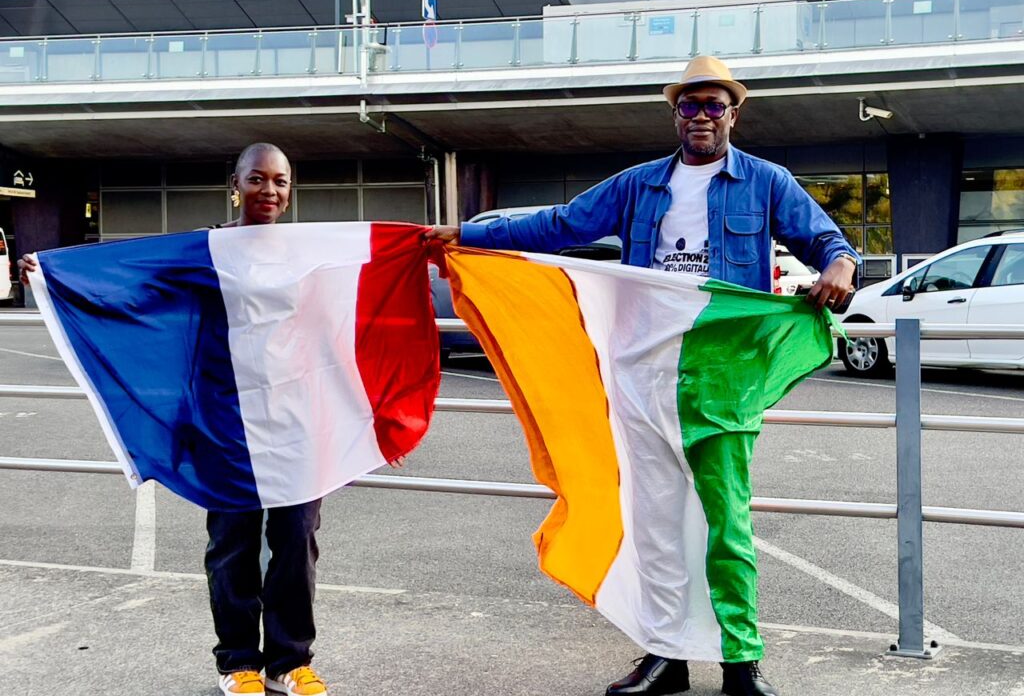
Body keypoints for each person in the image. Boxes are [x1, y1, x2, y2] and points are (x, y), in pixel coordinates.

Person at [426, 56, 858, 696]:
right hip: (642, 370)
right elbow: (562, 225)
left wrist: (842, 266)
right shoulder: (639, 185)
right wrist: (467, 234)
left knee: (725, 520)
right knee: (655, 521)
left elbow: (825, 241)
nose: (702, 116)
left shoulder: (767, 182)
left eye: (715, 105)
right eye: (690, 105)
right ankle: (665, 658)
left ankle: (741, 661)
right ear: (675, 114)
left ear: (733, 114)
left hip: (722, 374)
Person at [21, 143, 392, 696]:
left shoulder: (306, 251)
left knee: (296, 540)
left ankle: (290, 662)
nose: (270, 191)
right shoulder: (206, 250)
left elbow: (353, 295)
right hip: (224, 419)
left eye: (282, 182)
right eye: (258, 179)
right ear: (235, 184)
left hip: (297, 421)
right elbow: (134, 288)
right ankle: (237, 661)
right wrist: (55, 276)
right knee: (233, 543)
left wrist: (421, 252)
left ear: (292, 191)